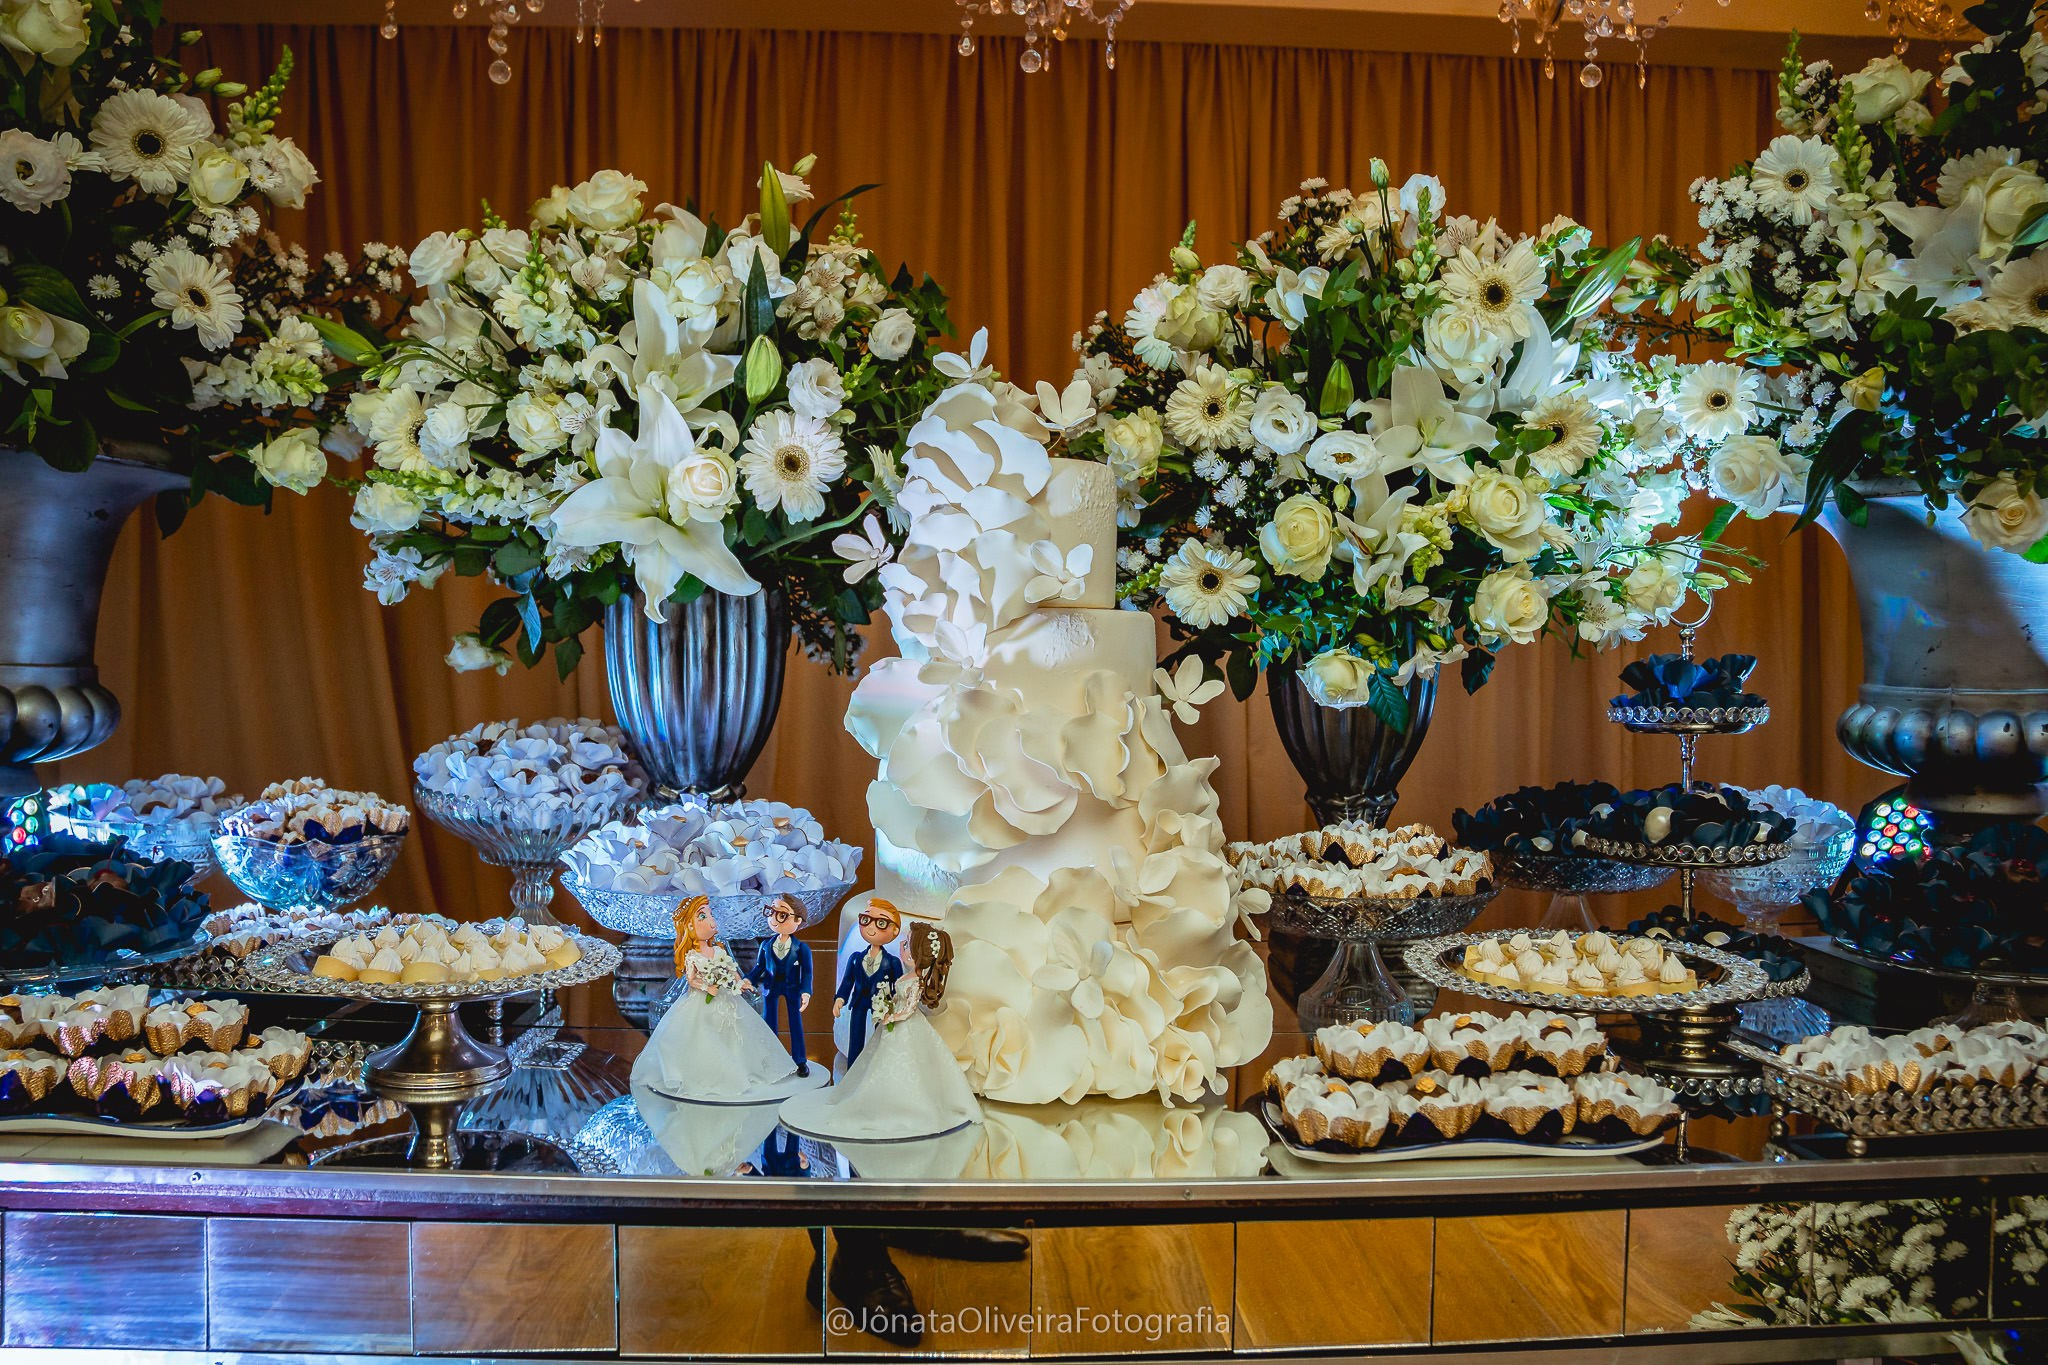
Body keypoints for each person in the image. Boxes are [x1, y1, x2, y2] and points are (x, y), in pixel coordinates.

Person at [784, 919, 981, 1143]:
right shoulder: (886, 967)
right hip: (882, 1019)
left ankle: (905, 1104)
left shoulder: (914, 980)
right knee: (876, 1059)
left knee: (908, 1064)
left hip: (904, 1025)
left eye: (906, 945)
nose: (901, 948)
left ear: (918, 954)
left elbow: (909, 1008)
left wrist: (891, 1015)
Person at [630, 895, 797, 1103]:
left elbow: (731, 969)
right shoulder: (692, 955)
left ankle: (741, 1070)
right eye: (703, 916)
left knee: (737, 1033)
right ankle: (708, 1074)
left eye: (710, 915)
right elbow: (690, 980)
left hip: (726, 999)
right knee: (702, 1035)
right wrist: (707, 987)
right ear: (690, 926)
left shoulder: (718, 950)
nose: (711, 921)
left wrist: (740, 983)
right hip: (701, 1001)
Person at [747, 895, 813, 1077]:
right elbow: (759, 967)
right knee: (769, 1024)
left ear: (797, 920)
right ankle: (771, 1059)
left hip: (793, 989)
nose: (774, 919)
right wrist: (748, 979)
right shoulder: (766, 946)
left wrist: (806, 992)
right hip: (771, 987)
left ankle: (800, 1060)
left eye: (782, 915)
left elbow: (807, 973)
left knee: (795, 1024)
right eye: (772, 912)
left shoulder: (801, 949)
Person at [833, 898, 904, 1067]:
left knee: (880, 1039)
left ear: (894, 931)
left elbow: (897, 988)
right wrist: (840, 999)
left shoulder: (892, 962)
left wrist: (893, 1008)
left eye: (881, 923)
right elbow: (847, 981)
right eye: (866, 920)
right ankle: (852, 1070)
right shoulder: (856, 958)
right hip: (858, 1002)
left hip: (882, 1007)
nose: (871, 927)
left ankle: (877, 1071)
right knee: (855, 1037)